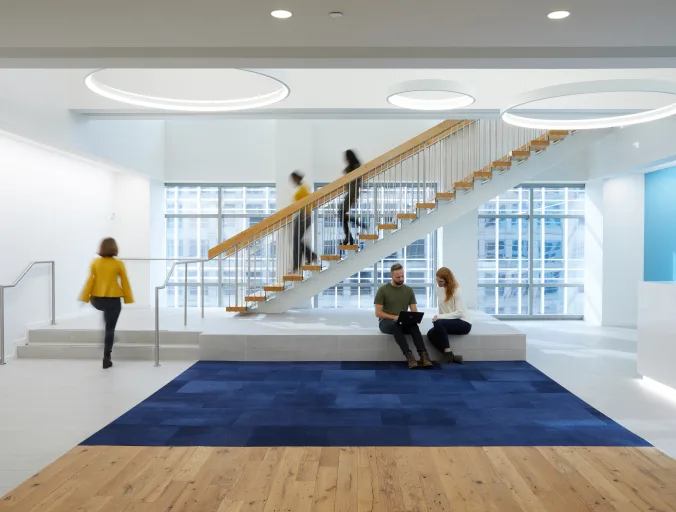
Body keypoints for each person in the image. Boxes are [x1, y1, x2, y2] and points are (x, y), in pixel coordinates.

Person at [79, 237, 134, 369]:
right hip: (113, 300)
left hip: (97, 300)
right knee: (110, 328)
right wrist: (128, 298)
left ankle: (109, 338)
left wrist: (85, 297)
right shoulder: (118, 263)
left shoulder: (95, 262)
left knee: (107, 321)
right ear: (115, 248)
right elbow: (124, 281)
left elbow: (90, 281)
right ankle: (106, 357)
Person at [374, 263, 434, 369]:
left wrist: (414, 318)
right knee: (395, 325)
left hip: (402, 321)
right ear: (391, 276)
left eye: (402, 276)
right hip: (386, 322)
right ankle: (409, 356)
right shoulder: (383, 290)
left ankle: (424, 356)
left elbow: (414, 310)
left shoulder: (409, 290)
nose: (401, 279)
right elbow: (378, 313)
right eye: (398, 277)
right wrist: (395, 317)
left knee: (414, 326)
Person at [427, 267, 472, 364]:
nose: (438, 283)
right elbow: (442, 310)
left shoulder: (457, 290)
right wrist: (439, 319)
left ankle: (447, 353)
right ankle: (450, 355)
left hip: (463, 323)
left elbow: (459, 312)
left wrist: (440, 318)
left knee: (438, 322)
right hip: (450, 321)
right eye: (437, 280)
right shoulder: (439, 289)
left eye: (441, 281)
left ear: (447, 281)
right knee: (430, 334)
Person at [290, 171, 318, 272]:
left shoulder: (303, 189)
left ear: (297, 178)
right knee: (297, 241)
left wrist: (305, 214)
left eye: (293, 179)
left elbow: (310, 202)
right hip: (302, 216)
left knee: (296, 241)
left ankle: (298, 264)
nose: (292, 181)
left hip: (304, 216)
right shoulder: (302, 188)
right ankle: (310, 256)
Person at [341, 149, 363, 246]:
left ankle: (349, 237)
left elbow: (357, 183)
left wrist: (354, 196)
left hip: (352, 192)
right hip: (350, 192)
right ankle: (349, 236)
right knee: (341, 214)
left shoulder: (356, 166)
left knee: (340, 212)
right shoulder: (352, 167)